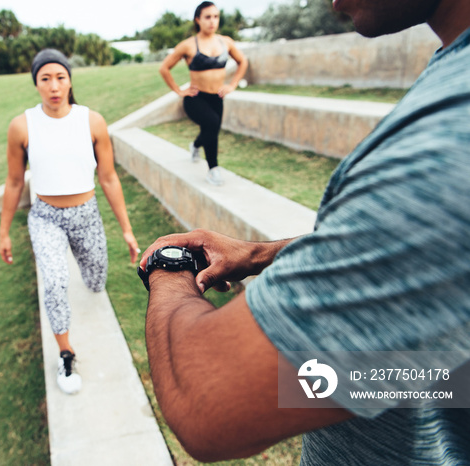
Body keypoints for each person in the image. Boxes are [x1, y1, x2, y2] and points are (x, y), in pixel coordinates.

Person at [140, 0, 470, 463]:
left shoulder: (449, 142)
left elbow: (206, 401)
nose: (332, 2)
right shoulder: (452, 81)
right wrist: (260, 255)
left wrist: (168, 265)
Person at [0, 49, 140, 395]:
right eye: (45, 78)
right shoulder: (22, 126)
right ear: (35, 83)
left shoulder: (92, 121)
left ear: (70, 80)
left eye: (60, 77)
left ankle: (91, 277)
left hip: (87, 214)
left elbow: (108, 178)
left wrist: (126, 229)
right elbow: (15, 182)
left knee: (95, 279)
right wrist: (4, 232)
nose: (53, 86)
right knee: (55, 282)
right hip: (45, 216)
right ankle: (66, 352)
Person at [159, 1, 248, 186]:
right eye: (208, 17)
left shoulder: (226, 41)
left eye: (216, 16)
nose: (212, 21)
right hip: (195, 98)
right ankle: (213, 170)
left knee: (211, 129)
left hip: (217, 97)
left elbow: (243, 61)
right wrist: (179, 90)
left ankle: (196, 146)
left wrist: (232, 85)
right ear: (198, 20)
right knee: (212, 124)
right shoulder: (188, 45)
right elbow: (164, 68)